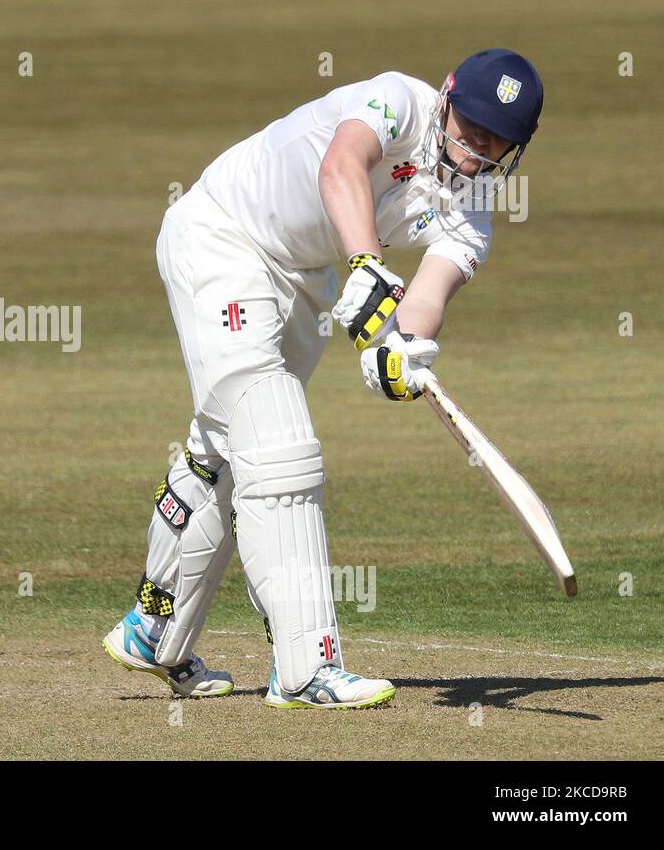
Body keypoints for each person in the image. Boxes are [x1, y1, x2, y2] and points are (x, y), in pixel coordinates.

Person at [102, 50, 543, 706]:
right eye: (469, 130)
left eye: (494, 144)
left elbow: (427, 298)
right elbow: (340, 165)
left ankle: (153, 629)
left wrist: (399, 354)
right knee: (278, 447)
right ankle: (306, 666)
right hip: (224, 237)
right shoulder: (398, 101)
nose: (474, 153)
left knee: (227, 449)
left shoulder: (473, 210)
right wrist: (366, 264)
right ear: (447, 97)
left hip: (304, 281)